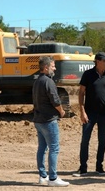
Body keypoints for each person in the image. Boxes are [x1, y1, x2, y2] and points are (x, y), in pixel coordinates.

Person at [73, 52, 105, 177]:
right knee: (85, 140)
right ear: (97, 61)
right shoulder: (88, 74)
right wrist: (82, 111)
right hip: (89, 113)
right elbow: (81, 93)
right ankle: (83, 168)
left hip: (104, 113)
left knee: (102, 140)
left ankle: (99, 167)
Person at [32, 56, 69, 187]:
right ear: (46, 67)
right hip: (48, 120)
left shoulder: (37, 81)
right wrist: (61, 111)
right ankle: (52, 178)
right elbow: (55, 99)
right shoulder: (48, 82)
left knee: (42, 148)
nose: (55, 68)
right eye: (53, 66)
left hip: (38, 120)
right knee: (54, 148)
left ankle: (43, 176)